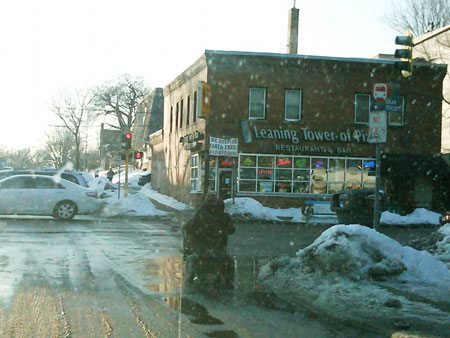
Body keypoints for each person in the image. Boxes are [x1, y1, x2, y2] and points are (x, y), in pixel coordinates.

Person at [182, 194, 235, 290]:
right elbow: (231, 230)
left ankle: (191, 273)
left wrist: (189, 244)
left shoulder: (201, 215)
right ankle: (228, 281)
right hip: (218, 248)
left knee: (194, 257)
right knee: (229, 262)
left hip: (202, 249)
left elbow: (188, 228)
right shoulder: (223, 216)